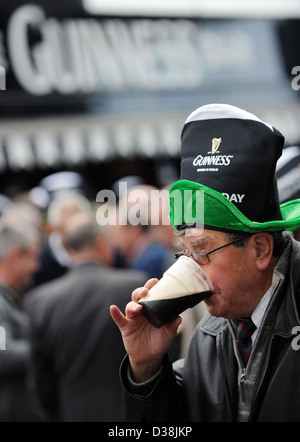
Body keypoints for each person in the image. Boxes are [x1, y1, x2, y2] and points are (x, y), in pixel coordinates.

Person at [111, 104, 300, 422]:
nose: (191, 270)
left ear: (260, 250)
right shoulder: (208, 336)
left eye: (201, 252)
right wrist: (145, 367)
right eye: (185, 253)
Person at [26, 213, 147, 422]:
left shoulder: (40, 301)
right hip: (130, 415)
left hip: (71, 412)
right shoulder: (135, 286)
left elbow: (39, 377)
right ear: (101, 243)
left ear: (66, 247)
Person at [0, 221, 45, 422]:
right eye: (33, 257)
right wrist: (49, 349)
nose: (37, 266)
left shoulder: (13, 297)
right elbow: (3, 353)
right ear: (16, 256)